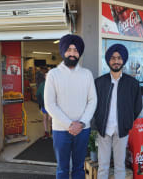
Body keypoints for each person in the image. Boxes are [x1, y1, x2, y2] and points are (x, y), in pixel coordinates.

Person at [44, 34, 97, 179]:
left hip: (83, 129)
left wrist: (81, 123)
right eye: (69, 49)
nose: (72, 53)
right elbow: (49, 104)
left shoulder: (87, 74)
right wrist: (69, 124)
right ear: (63, 52)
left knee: (79, 168)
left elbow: (92, 101)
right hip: (61, 130)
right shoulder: (53, 74)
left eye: (76, 50)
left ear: (79, 53)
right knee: (62, 168)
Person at [93, 44, 143, 179]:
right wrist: (98, 121)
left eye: (119, 58)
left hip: (122, 130)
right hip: (104, 129)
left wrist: (127, 122)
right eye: (113, 58)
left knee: (120, 166)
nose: (116, 61)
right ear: (108, 60)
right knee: (103, 166)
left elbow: (138, 106)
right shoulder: (99, 82)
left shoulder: (132, 83)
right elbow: (93, 104)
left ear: (123, 60)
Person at [36, 72, 52, 139]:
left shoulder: (53, 84)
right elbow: (38, 94)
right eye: (46, 75)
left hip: (52, 106)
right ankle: (46, 132)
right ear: (44, 77)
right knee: (45, 118)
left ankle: (52, 131)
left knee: (50, 119)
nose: (47, 77)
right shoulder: (42, 84)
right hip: (44, 105)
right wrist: (40, 103)